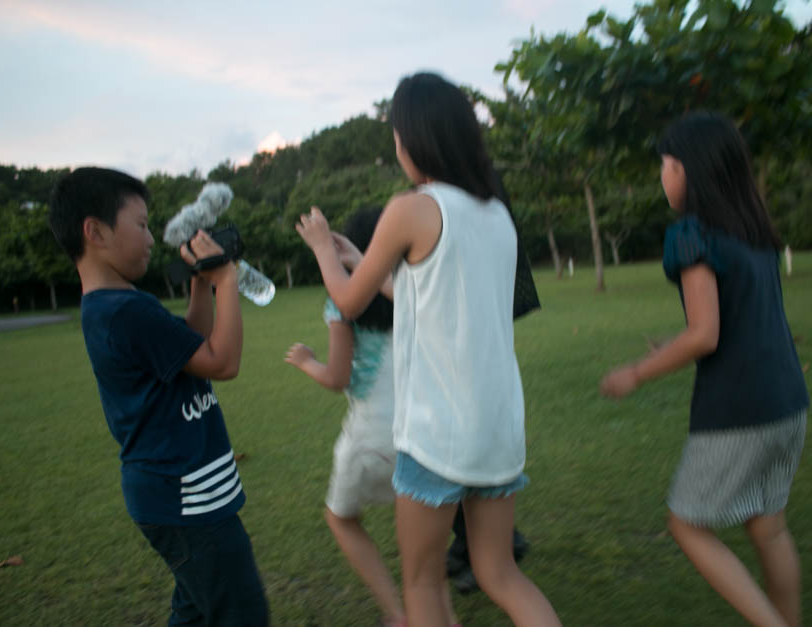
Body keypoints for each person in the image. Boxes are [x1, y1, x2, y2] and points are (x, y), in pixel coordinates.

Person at [296, 72, 559, 627]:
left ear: (413, 139)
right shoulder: (496, 216)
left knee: (421, 581)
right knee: (502, 574)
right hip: (498, 426)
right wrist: (353, 256)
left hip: (437, 432)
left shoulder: (412, 208)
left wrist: (322, 248)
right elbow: (431, 298)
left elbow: (345, 300)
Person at [600, 112, 809, 627]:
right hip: (788, 402)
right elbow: (738, 320)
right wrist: (677, 340)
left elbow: (705, 335)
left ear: (691, 171)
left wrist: (638, 371)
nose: (662, 176)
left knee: (687, 523)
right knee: (769, 528)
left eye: (667, 165)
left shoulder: (691, 234)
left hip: (739, 409)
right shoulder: (753, 233)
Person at [48, 167, 268, 626]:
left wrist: (199, 281)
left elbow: (191, 342)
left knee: (193, 611)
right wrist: (227, 281)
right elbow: (222, 362)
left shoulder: (110, 307)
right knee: (242, 613)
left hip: (172, 491)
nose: (151, 238)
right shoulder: (126, 311)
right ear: (95, 232)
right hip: (188, 497)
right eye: (142, 225)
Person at [284, 207, 411, 627]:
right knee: (419, 537)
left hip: (370, 440)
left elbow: (337, 378)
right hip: (423, 439)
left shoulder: (342, 305)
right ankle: (438, 614)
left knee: (341, 519)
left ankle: (397, 613)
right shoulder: (416, 294)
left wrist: (305, 362)